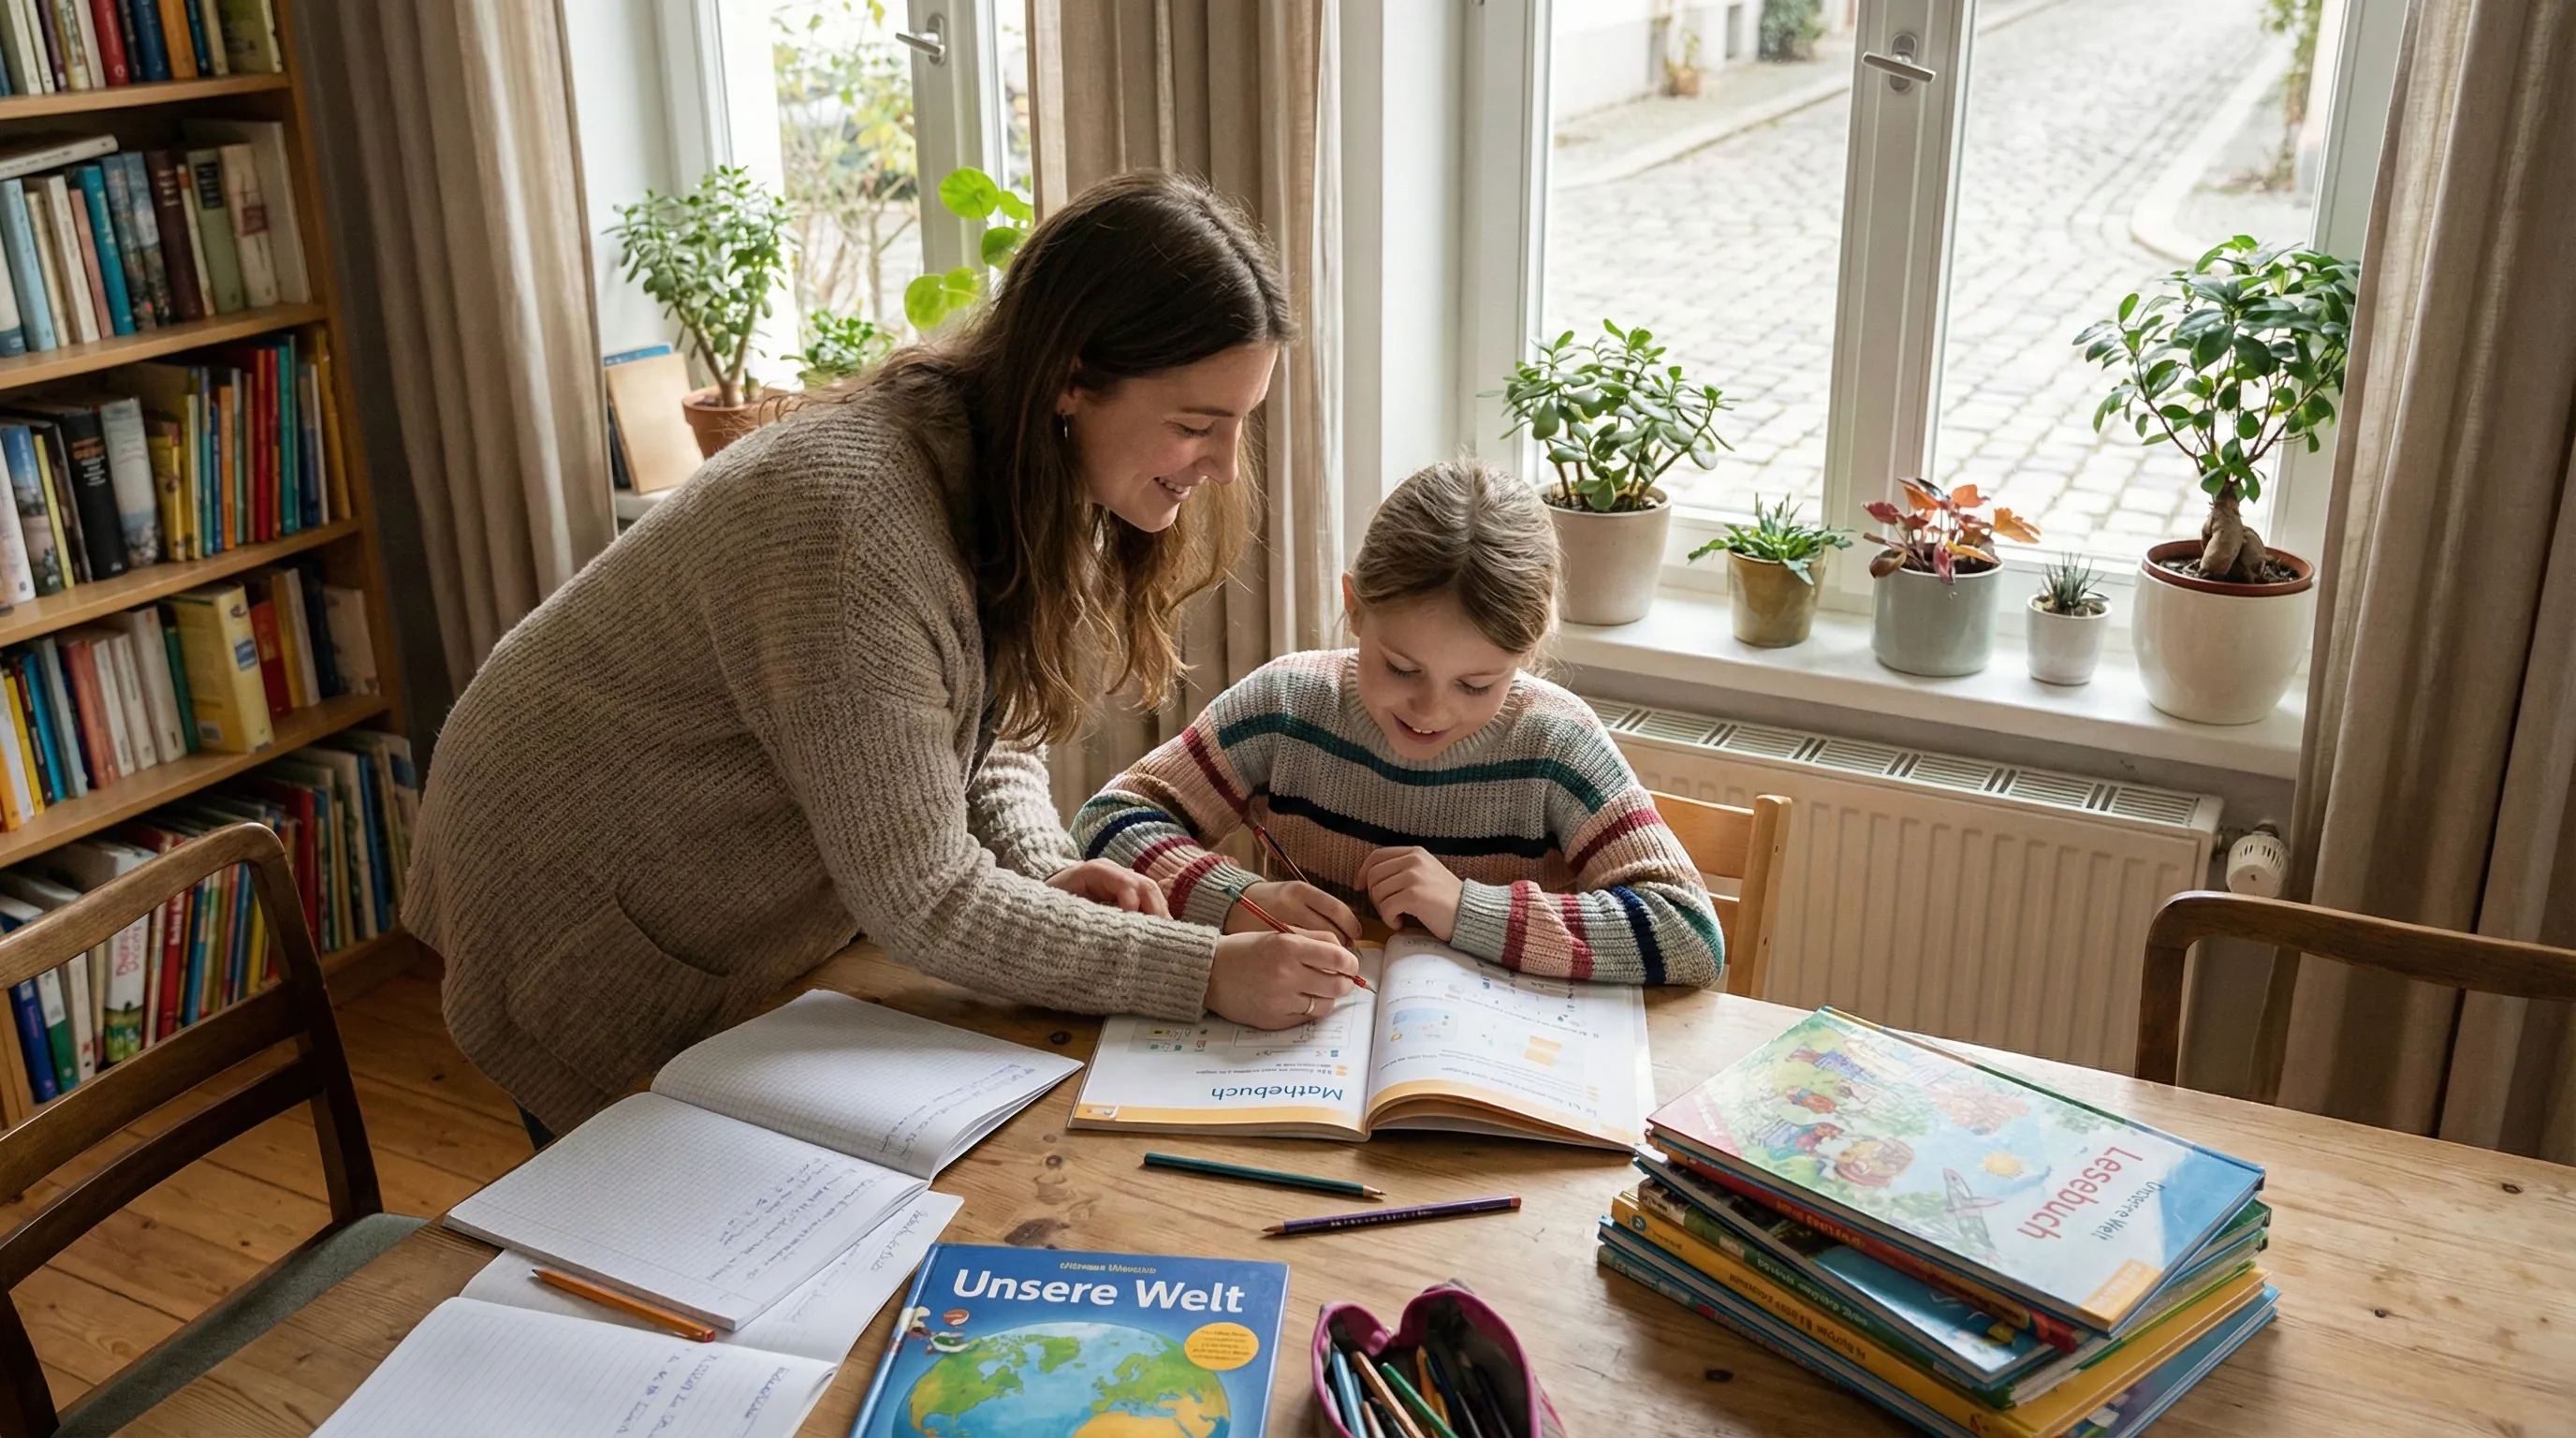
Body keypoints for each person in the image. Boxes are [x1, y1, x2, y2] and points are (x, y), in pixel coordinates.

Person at [406, 171, 1359, 1142]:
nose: (1225, 466)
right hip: (566, 880)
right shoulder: (852, 527)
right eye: (1199, 424)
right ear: (1073, 376)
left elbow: (984, 728)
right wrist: (1201, 972)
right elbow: (925, 898)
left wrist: (1042, 864)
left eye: (1242, 421)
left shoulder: (1023, 464)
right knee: (631, 1219)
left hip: (689, 869)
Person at [1071, 460, 1724, 988]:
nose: (1431, 710)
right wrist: (1238, 897)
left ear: (1525, 657)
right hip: (1303, 1041)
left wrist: (1470, 910)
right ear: (1355, 608)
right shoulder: (1288, 706)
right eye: (1402, 668)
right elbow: (1108, 821)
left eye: (1477, 685)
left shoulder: (1555, 742)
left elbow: (1691, 933)